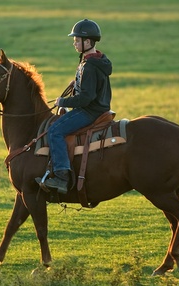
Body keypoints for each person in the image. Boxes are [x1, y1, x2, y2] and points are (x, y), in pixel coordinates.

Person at [42, 19, 113, 194]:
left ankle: (61, 176)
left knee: (54, 131)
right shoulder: (98, 60)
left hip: (89, 112)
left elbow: (85, 99)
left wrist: (63, 102)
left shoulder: (88, 65)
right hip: (99, 109)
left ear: (87, 42)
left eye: (77, 39)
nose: (74, 42)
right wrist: (77, 84)